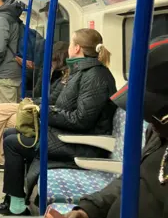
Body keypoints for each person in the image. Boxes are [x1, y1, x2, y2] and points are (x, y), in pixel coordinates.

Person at [0, 29, 117, 215]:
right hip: (68, 135)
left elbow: (81, 120)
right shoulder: (79, 72)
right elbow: (55, 100)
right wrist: (36, 106)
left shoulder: (95, 77)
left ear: (76, 48)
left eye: (70, 44)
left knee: (12, 143)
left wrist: (45, 112)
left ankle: (16, 203)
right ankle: (13, 197)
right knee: (10, 134)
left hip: (82, 143)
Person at [65, 36, 168, 218]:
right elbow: (133, 179)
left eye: (152, 111)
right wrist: (89, 209)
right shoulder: (158, 134)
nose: (148, 120)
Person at [0, 41, 69, 172]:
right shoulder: (53, 74)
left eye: (53, 60)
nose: (50, 62)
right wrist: (46, 74)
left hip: (42, 109)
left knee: (5, 114)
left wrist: (33, 100)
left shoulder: (64, 78)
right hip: (39, 104)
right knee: (3, 111)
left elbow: (52, 99)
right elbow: (39, 91)